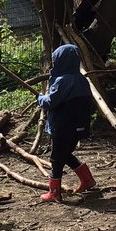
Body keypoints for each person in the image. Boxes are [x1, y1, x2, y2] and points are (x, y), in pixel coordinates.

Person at [37, 44, 97, 202]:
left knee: (56, 159)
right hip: (78, 126)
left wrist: (40, 98)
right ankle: (87, 180)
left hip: (63, 127)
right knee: (65, 153)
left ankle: (54, 191)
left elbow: (51, 102)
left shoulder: (63, 81)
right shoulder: (82, 80)